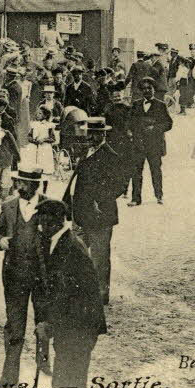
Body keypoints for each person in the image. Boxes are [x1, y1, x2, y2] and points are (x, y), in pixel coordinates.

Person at [34, 197, 107, 388]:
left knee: (68, 386)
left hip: (79, 328)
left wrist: (50, 324)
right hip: (70, 327)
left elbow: (70, 296)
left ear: (53, 223)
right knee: (66, 385)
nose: (39, 227)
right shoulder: (57, 243)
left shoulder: (71, 249)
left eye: (42, 223)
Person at [0, 167, 48, 386]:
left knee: (43, 322)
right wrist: (0, 241)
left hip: (41, 276)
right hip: (14, 274)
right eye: (18, 182)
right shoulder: (8, 207)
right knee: (14, 325)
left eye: (24, 183)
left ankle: (43, 363)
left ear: (35, 185)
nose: (19, 186)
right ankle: (9, 374)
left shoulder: (48, 206)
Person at [69, 117, 123, 305]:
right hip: (80, 213)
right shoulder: (85, 153)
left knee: (99, 258)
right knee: (76, 254)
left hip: (100, 214)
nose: (91, 137)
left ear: (103, 134)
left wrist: (100, 200)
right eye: (89, 133)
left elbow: (120, 185)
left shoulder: (111, 156)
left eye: (95, 134)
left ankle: (100, 294)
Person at [128, 77, 173, 206]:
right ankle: (136, 198)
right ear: (141, 91)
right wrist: (131, 131)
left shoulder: (161, 105)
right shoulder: (136, 105)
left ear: (154, 90)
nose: (147, 91)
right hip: (139, 143)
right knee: (136, 171)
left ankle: (159, 195)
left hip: (154, 144)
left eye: (150, 88)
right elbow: (130, 121)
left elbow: (168, 123)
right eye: (144, 89)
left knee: (156, 170)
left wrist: (155, 128)